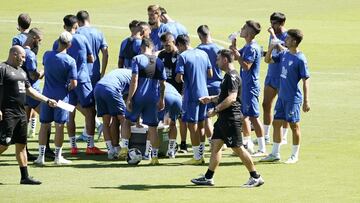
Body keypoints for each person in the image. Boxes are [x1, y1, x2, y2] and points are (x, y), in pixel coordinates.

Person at [191, 49, 264, 188]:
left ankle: (256, 177)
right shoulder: (227, 76)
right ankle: (208, 177)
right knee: (216, 145)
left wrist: (215, 109)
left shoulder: (231, 77)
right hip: (224, 119)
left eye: (218, 59)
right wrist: (211, 99)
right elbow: (225, 96)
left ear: (225, 60)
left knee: (238, 149)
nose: (216, 62)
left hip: (231, 119)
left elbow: (231, 98)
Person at [0, 45, 57, 185]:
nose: (24, 60)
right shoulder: (2, 69)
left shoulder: (21, 72)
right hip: (7, 113)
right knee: (4, 144)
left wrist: (46, 100)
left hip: (20, 114)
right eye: (22, 57)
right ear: (14, 54)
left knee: (21, 145)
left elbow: (30, 90)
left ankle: (24, 176)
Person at [53, 15, 105, 155]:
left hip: (66, 82)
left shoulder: (57, 42)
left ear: (64, 26)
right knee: (90, 112)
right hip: (82, 80)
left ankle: (73, 146)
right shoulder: (82, 39)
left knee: (70, 112)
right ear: (76, 26)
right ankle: (90, 146)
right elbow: (91, 58)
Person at [261, 29, 310, 164]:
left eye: (287, 38)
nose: (285, 40)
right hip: (281, 97)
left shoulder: (300, 58)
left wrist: (306, 100)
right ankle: (275, 153)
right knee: (276, 123)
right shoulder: (284, 54)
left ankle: (294, 155)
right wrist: (271, 48)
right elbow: (267, 60)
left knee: (294, 125)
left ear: (294, 41)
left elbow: (306, 79)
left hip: (293, 98)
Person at [119, 38, 166, 165]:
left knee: (127, 121)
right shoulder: (159, 62)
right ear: (153, 48)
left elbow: (134, 80)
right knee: (152, 128)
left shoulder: (137, 59)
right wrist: (161, 99)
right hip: (153, 98)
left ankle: (124, 148)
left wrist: (129, 98)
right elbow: (162, 84)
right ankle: (154, 157)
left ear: (141, 47)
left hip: (139, 96)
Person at [34, 31, 77, 165]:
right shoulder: (70, 61)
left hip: (46, 96)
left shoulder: (47, 55)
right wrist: (67, 88)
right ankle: (58, 157)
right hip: (61, 98)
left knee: (44, 126)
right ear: (69, 45)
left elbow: (45, 70)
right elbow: (74, 83)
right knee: (59, 126)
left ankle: (40, 157)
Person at [230, 20, 267, 157]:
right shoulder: (247, 46)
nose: (241, 29)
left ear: (250, 33)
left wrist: (238, 56)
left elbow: (246, 66)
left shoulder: (252, 48)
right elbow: (234, 57)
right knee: (244, 115)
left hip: (251, 86)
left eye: (244, 28)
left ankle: (262, 148)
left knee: (254, 116)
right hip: (245, 85)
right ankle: (247, 143)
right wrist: (234, 46)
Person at [175, 34, 212, 165]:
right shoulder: (203, 54)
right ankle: (201, 155)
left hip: (191, 95)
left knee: (192, 126)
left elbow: (179, 77)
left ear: (180, 45)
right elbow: (210, 73)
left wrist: (182, 79)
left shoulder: (183, 56)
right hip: (204, 93)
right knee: (202, 124)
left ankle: (196, 157)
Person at [22, 28, 55, 161]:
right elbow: (33, 76)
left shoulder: (19, 49)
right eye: (39, 40)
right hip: (33, 93)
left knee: (24, 123)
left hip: (22, 92)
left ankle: (25, 151)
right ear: (34, 38)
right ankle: (46, 148)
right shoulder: (29, 55)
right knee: (47, 119)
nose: (39, 44)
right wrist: (43, 71)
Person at [76, 10, 108, 140]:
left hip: (80, 73)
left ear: (78, 21)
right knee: (90, 103)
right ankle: (87, 132)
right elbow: (106, 53)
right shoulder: (98, 32)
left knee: (75, 102)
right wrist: (102, 72)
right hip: (95, 72)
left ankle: (97, 124)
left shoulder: (77, 33)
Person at [262, 12, 289, 145]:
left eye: (274, 23)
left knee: (283, 108)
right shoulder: (274, 35)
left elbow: (285, 52)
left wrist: (273, 36)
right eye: (271, 22)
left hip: (283, 77)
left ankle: (283, 137)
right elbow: (272, 52)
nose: (272, 26)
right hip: (271, 74)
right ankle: (265, 135)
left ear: (282, 23)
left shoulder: (288, 36)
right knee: (266, 105)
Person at [158, 32, 187, 153]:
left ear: (174, 42)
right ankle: (165, 145)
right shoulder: (161, 55)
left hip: (178, 92)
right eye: (164, 45)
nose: (166, 48)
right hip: (164, 92)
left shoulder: (181, 56)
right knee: (164, 119)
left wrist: (184, 93)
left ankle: (183, 144)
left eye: (168, 45)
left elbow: (185, 76)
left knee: (180, 119)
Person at [94, 68, 132, 159]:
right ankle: (124, 149)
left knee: (107, 121)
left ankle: (111, 150)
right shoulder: (136, 77)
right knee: (124, 119)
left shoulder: (124, 72)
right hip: (111, 89)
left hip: (98, 88)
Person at [196, 25, 223, 146]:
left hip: (204, 87)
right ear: (209, 33)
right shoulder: (219, 48)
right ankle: (224, 140)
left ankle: (212, 141)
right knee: (222, 115)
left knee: (207, 117)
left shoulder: (197, 51)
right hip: (218, 85)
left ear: (199, 36)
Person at [158, 82, 182, 158]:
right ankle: (171, 151)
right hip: (178, 99)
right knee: (173, 123)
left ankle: (148, 152)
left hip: (166, 97)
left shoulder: (152, 83)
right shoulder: (167, 83)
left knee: (153, 125)